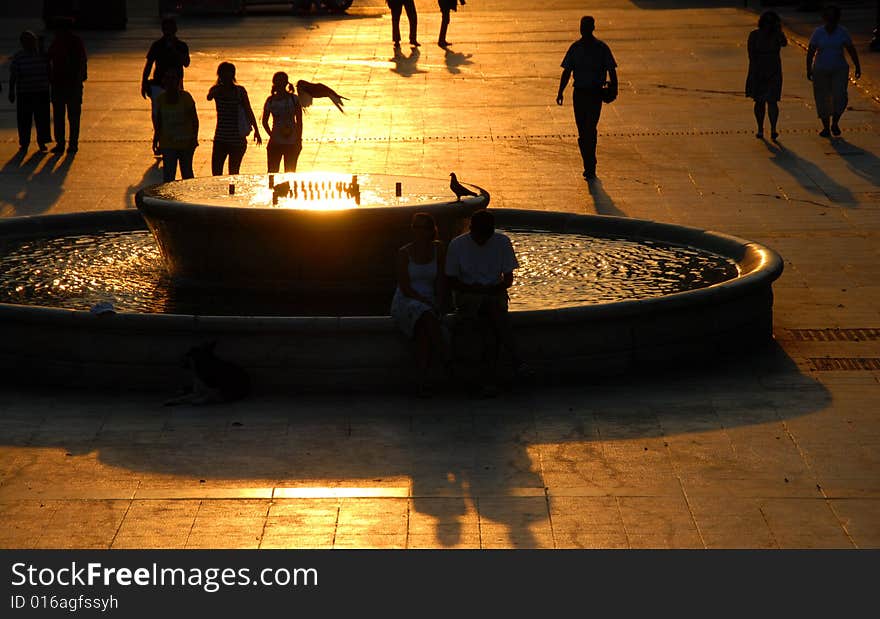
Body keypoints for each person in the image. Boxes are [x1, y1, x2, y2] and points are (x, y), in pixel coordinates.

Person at [445, 209, 530, 396]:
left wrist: (490, 289)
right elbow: (451, 280)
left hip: (493, 292)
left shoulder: (502, 242)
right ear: (471, 229)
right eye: (479, 235)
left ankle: (482, 377)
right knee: (493, 315)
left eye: (486, 235)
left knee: (489, 310)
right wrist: (475, 289)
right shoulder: (457, 245)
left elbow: (508, 280)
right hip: (467, 293)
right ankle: (514, 358)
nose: (482, 240)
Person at [390, 212, 450, 397]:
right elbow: (405, 286)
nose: (417, 231)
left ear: (431, 230)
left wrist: (440, 302)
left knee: (423, 332)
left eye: (422, 227)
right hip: (407, 300)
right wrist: (424, 301)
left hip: (429, 299)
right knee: (426, 315)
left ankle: (422, 382)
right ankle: (448, 362)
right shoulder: (404, 252)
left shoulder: (438, 249)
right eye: (414, 227)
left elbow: (441, 280)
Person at [556, 16, 618, 181]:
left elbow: (567, 72)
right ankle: (589, 162)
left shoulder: (585, 48)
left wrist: (560, 91)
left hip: (589, 94)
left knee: (588, 129)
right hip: (586, 94)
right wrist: (560, 91)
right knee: (585, 131)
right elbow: (611, 70)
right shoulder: (596, 48)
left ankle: (589, 165)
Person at [807, 5, 861, 137]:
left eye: (834, 17)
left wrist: (857, 66)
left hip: (839, 69)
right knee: (822, 98)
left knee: (840, 96)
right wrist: (808, 68)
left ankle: (835, 122)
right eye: (828, 17)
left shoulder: (843, 32)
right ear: (824, 18)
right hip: (820, 69)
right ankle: (826, 127)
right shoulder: (818, 32)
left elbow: (850, 49)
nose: (831, 20)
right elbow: (811, 51)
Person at [141, 18, 190, 156]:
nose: (168, 32)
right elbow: (149, 64)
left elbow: (186, 63)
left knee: (174, 113)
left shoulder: (181, 46)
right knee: (157, 113)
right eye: (166, 29)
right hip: (158, 85)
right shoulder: (157, 45)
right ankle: (160, 138)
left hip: (176, 86)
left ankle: (171, 139)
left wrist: (174, 50)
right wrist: (144, 82)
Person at [207, 62, 262, 176]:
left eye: (228, 73)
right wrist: (219, 89)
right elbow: (209, 97)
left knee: (233, 173)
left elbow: (248, 110)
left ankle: (231, 193)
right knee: (217, 174)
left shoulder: (240, 91)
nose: (226, 76)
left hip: (236, 139)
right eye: (223, 73)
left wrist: (256, 130)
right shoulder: (217, 90)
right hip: (221, 139)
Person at [47, 17, 87, 154]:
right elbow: (83, 60)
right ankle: (72, 144)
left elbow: (48, 58)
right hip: (71, 83)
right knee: (72, 116)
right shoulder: (75, 41)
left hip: (62, 83)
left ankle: (62, 143)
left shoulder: (59, 41)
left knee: (61, 115)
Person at [747, 11, 787, 140]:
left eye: (771, 23)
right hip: (758, 70)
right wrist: (754, 72)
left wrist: (778, 30)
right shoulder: (754, 35)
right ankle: (760, 128)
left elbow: (784, 43)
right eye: (767, 22)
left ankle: (774, 128)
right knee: (759, 101)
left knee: (772, 100)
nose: (768, 25)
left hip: (774, 70)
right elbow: (751, 54)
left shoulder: (777, 35)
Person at [8, 30, 51, 152]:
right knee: (24, 119)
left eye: (32, 41)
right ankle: (24, 142)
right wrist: (11, 91)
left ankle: (42, 141)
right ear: (23, 43)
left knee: (42, 118)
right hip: (25, 93)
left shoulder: (42, 56)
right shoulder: (18, 57)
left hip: (41, 92)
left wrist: (51, 89)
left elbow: (49, 72)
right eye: (28, 41)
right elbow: (13, 76)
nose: (31, 44)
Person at [152, 69, 198, 183]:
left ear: (178, 81)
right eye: (168, 79)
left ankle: (189, 198)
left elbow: (195, 120)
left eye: (173, 79)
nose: (170, 82)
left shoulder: (186, 97)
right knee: (168, 176)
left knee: (187, 174)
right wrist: (155, 140)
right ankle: (170, 200)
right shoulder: (160, 99)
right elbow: (159, 122)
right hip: (168, 143)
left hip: (186, 142)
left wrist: (194, 138)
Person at [261, 72, 303, 173]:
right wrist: (272, 135)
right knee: (277, 172)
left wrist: (298, 139)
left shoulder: (293, 99)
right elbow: (264, 122)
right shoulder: (272, 100)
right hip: (282, 142)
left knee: (280, 172)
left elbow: (300, 121)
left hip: (287, 142)